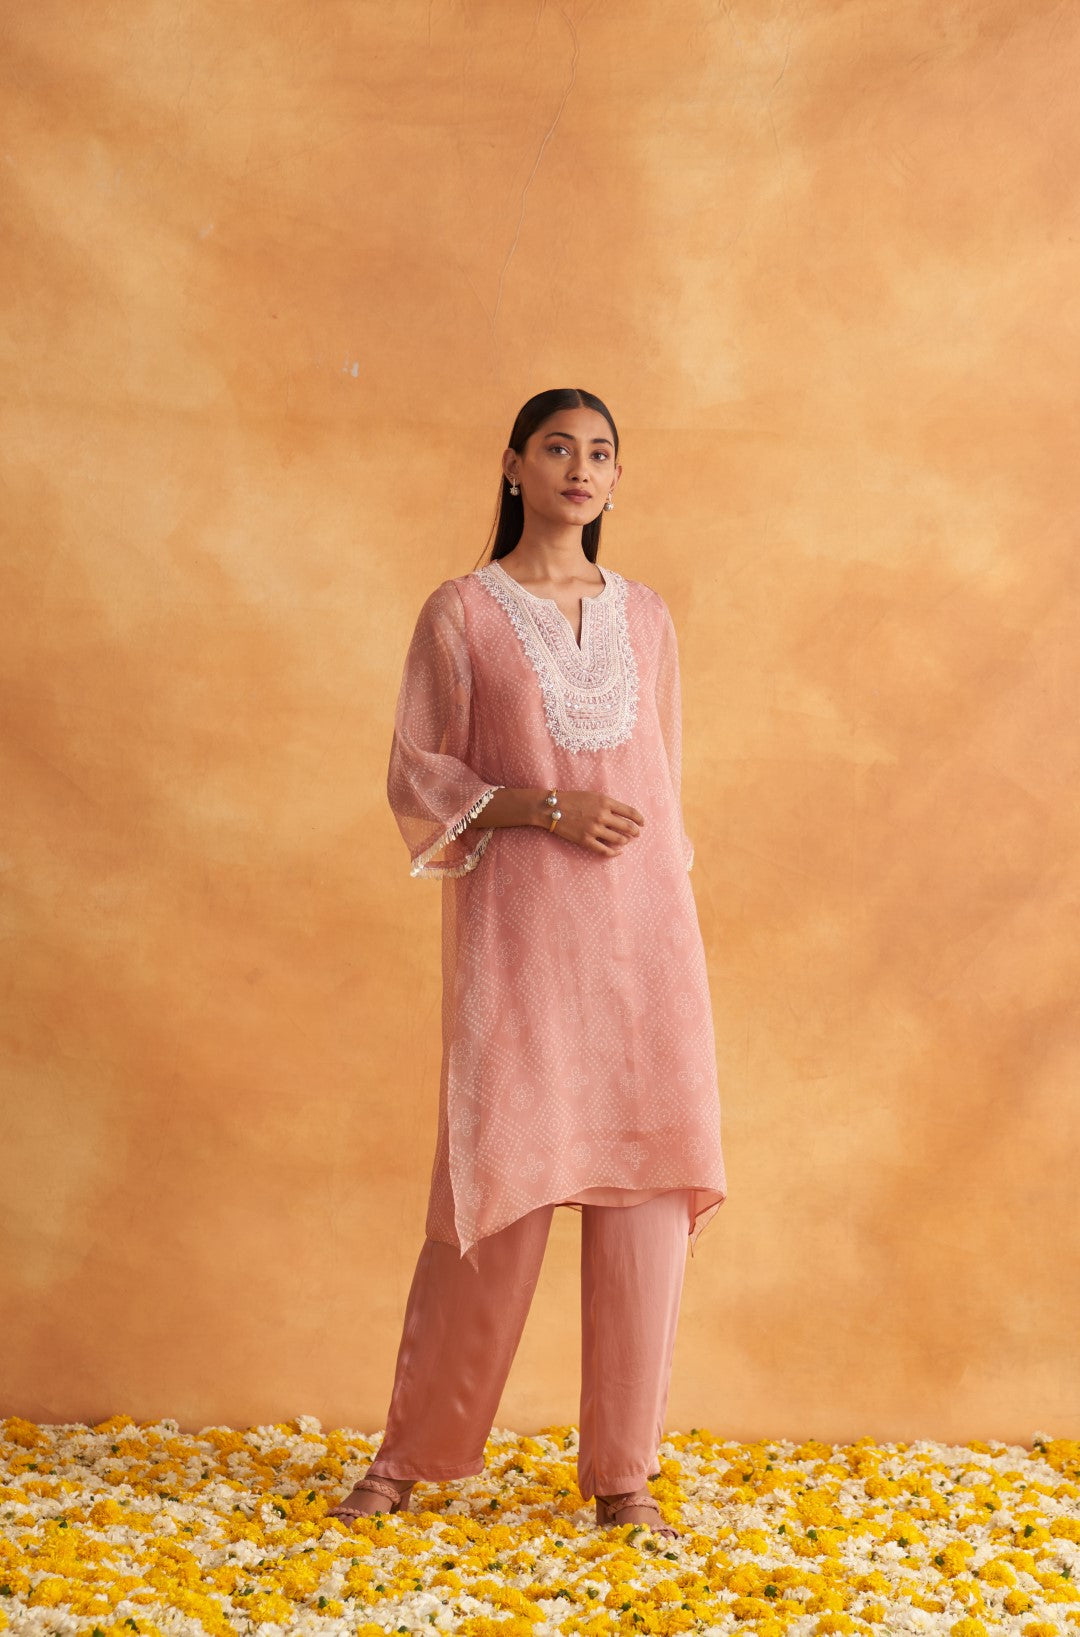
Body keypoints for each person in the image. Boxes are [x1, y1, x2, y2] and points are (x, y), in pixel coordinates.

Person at [329, 388, 728, 1540]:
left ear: (617, 477)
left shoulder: (646, 617)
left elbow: (663, 784)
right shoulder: (462, 612)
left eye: (601, 452)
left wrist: (652, 887)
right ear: (514, 464)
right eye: (558, 447)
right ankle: (412, 1453)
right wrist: (548, 806)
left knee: (647, 1190)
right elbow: (419, 775)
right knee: (494, 1181)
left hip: (645, 939)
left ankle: (624, 1475)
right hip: (522, 936)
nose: (580, 467)